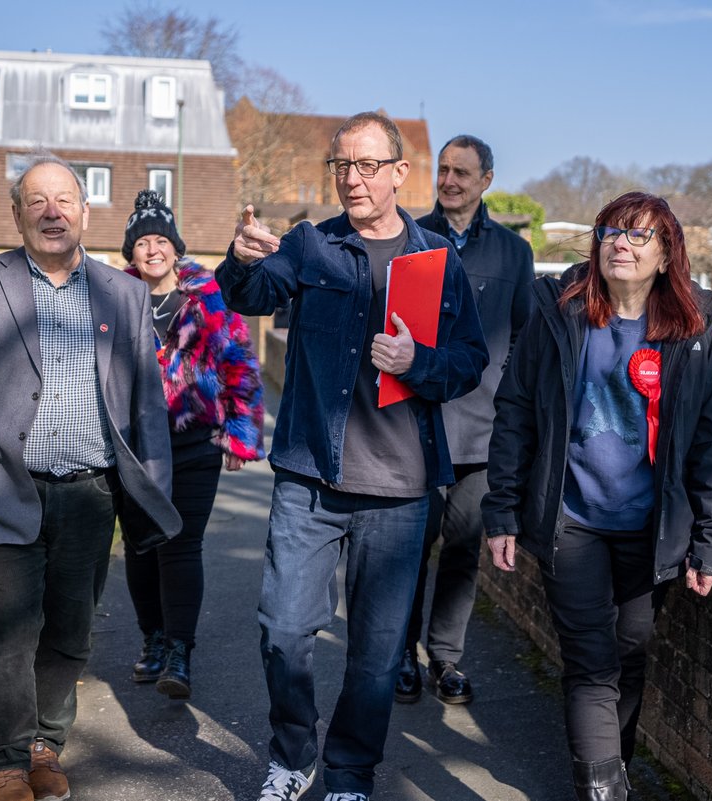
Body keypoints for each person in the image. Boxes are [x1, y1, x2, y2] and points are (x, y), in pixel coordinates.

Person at [216, 111, 488, 801]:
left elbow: (469, 360)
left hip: (398, 489)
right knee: (283, 630)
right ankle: (293, 752)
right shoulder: (310, 244)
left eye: (368, 165)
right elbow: (250, 292)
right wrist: (241, 259)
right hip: (310, 474)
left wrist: (416, 361)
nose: (353, 178)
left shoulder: (435, 259)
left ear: (400, 173)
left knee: (375, 654)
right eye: (342, 165)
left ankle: (349, 772)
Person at [0, 152, 180, 801]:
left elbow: (147, 403)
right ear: (17, 213)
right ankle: (3, 761)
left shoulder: (124, 292)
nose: (52, 212)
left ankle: (43, 745)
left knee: (70, 624)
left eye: (64, 201)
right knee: (9, 620)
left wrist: (157, 485)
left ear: (85, 213)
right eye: (37, 201)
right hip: (5, 483)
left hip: (92, 490)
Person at [481, 191, 712, 801]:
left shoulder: (695, 334)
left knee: (629, 653)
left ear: (665, 252)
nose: (619, 243)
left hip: (651, 529)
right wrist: (502, 510)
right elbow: (514, 413)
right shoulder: (560, 313)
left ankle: (611, 770)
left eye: (637, 235)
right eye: (609, 231)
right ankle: (602, 790)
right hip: (572, 520)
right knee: (592, 662)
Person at [398, 134, 535, 705]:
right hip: (415, 425)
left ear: (486, 182)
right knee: (407, 548)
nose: (449, 181)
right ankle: (399, 654)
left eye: (462, 173)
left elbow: (526, 340)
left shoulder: (513, 253)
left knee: (462, 547)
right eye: (444, 171)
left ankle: (446, 659)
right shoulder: (410, 239)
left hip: (482, 430)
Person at [118, 189, 266, 701]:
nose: (152, 250)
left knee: (181, 544)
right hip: (136, 446)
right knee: (141, 544)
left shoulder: (208, 296)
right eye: (142, 243)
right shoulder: (119, 298)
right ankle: (153, 639)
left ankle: (180, 651)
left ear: (175, 248)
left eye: (161, 240)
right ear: (131, 253)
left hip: (195, 440)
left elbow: (240, 364)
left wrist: (240, 434)